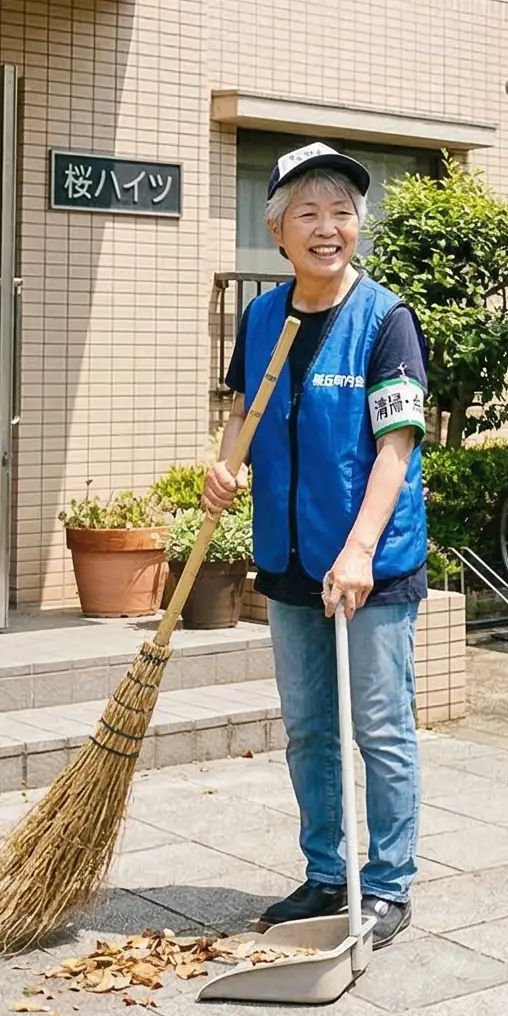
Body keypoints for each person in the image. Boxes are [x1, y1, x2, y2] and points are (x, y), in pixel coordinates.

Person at [204, 141, 430, 950]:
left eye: (341, 212)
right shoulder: (263, 315)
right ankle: (327, 873)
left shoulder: (386, 320)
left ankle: (391, 884)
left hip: (372, 561)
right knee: (308, 726)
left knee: (379, 725)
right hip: (289, 555)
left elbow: (397, 446)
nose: (325, 226)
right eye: (308, 212)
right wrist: (222, 469)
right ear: (277, 228)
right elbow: (243, 411)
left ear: (358, 228)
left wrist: (363, 548)